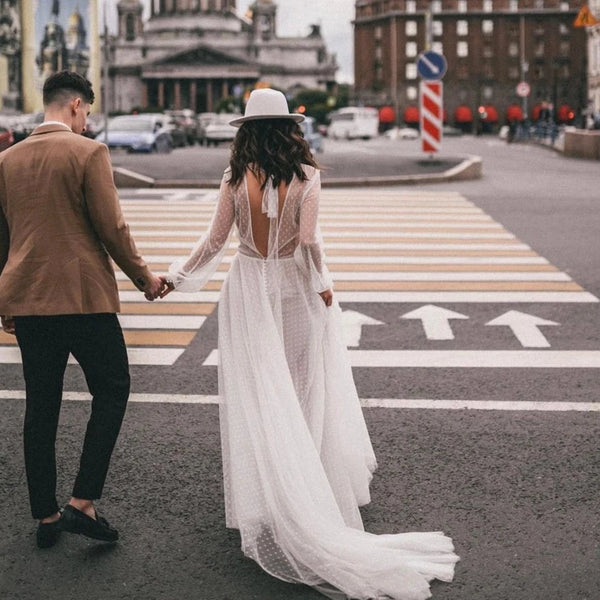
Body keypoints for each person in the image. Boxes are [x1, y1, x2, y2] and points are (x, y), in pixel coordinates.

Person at [163, 88, 459, 599]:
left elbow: (213, 242)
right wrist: (323, 285)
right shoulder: (307, 177)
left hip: (249, 287)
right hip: (295, 287)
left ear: (246, 132)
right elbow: (309, 241)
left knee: (261, 389)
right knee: (303, 386)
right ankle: (310, 486)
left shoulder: (234, 178)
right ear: (290, 129)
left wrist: (177, 277)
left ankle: (270, 493)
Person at [0, 70, 167, 549]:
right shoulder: (88, 153)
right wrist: (145, 279)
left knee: (41, 405)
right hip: (84, 299)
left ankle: (47, 517)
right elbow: (111, 227)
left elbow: (2, 238)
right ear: (76, 105)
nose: (87, 122)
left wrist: (5, 299)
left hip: (29, 299)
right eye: (87, 113)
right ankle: (83, 502)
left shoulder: (6, 160)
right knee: (112, 389)